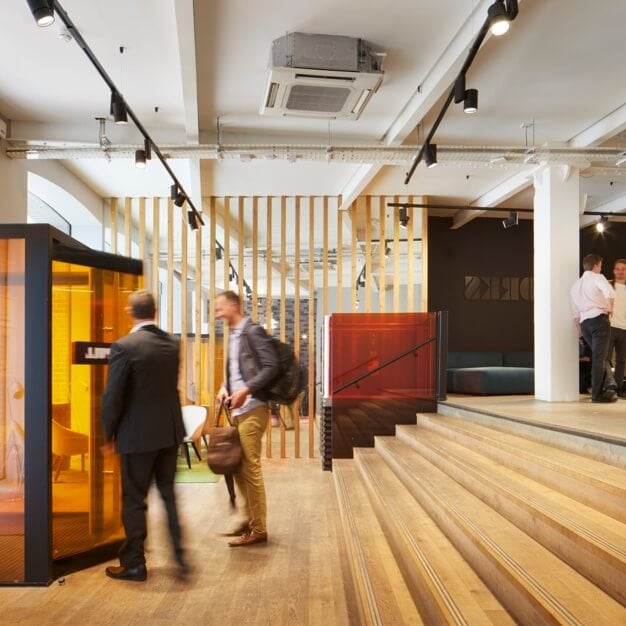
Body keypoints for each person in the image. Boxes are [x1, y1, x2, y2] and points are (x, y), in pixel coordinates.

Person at [102, 289, 188, 581]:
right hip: (169, 433)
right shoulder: (172, 344)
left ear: (130, 311)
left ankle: (135, 563)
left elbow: (113, 397)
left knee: (135, 500)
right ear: (155, 311)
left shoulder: (124, 347)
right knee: (169, 495)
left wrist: (108, 434)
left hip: (137, 437)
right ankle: (180, 557)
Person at [215, 290, 279, 547]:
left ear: (234, 306)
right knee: (238, 466)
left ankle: (259, 528)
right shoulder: (234, 336)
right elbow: (237, 371)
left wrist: (246, 390)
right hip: (238, 409)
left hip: (254, 407)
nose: (218, 314)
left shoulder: (252, 331)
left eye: (221, 309)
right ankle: (249, 518)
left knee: (250, 467)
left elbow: (271, 366)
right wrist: (224, 386)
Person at [570, 254, 617, 403]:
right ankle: (597, 395)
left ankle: (606, 387)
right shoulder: (598, 277)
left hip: (585, 325)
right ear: (596, 266)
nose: (600, 268)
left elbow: (575, 313)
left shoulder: (576, 285)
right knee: (599, 359)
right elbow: (609, 292)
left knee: (599, 358)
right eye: (600, 266)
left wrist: (579, 333)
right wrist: (610, 307)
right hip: (598, 321)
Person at [609, 258, 626, 397]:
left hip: (624, 328)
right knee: (606, 359)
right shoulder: (608, 286)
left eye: (623, 269)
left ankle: (618, 387)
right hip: (609, 327)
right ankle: (608, 386)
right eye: (618, 269)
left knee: (621, 360)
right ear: (614, 270)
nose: (620, 271)